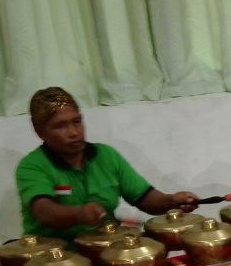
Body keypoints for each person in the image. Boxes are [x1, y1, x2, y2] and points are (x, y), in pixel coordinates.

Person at [14, 87, 200, 244]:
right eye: (61, 126)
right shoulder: (32, 166)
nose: (73, 132)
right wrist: (80, 213)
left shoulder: (106, 155)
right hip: (55, 261)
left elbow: (144, 198)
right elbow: (45, 211)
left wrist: (172, 201)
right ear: (40, 132)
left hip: (104, 250)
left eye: (77, 122)